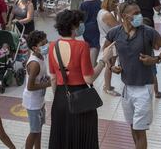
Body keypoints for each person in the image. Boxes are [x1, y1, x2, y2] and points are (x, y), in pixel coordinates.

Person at [104, 1, 161, 149]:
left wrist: (155, 59)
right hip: (127, 88)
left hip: (144, 88)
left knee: (140, 130)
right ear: (124, 16)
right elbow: (106, 52)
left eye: (139, 12)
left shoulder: (148, 32)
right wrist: (111, 66)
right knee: (133, 126)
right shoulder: (115, 33)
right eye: (135, 14)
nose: (139, 16)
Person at [48, 10, 114, 149]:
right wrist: (103, 60)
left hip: (60, 98)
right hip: (81, 99)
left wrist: (60, 97)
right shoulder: (81, 46)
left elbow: (53, 78)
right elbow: (89, 79)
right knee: (83, 139)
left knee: (61, 137)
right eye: (78, 24)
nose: (80, 27)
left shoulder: (52, 46)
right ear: (73, 26)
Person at [22, 31, 51, 149]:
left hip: (39, 100)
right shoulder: (34, 64)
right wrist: (48, 84)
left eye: (46, 42)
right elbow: (30, 86)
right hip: (32, 102)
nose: (46, 45)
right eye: (43, 44)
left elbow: (41, 77)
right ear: (34, 48)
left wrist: (47, 78)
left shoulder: (41, 56)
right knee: (34, 131)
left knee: (38, 129)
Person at [97, 0, 121, 97]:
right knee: (110, 65)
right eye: (115, 5)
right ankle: (107, 87)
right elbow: (119, 28)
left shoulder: (101, 11)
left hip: (104, 39)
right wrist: (119, 14)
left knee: (109, 64)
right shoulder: (108, 15)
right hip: (110, 42)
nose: (116, 7)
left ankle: (107, 85)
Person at [142, 17, 161, 99]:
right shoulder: (151, 36)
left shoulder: (136, 36)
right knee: (153, 75)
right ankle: (157, 92)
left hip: (139, 59)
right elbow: (157, 47)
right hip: (150, 59)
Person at [80, 0, 102, 66]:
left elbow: (80, 16)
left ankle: (90, 62)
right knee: (95, 45)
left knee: (88, 44)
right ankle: (93, 63)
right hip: (95, 26)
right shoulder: (99, 3)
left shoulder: (83, 4)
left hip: (85, 27)